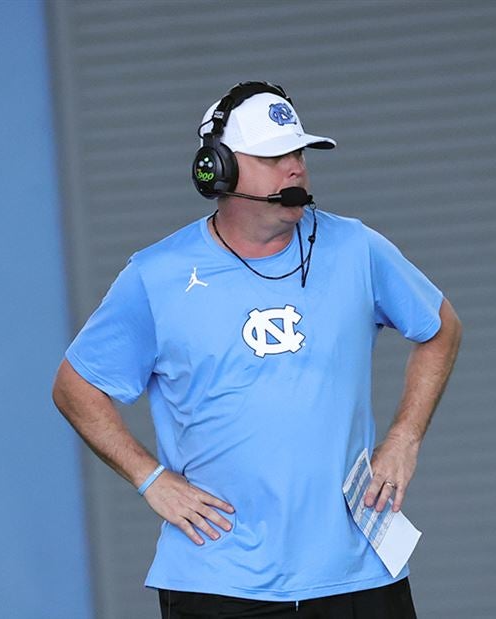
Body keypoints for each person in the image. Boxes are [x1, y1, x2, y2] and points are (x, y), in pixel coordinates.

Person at [51, 81, 461, 618]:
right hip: (218, 583)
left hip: (357, 574)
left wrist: (404, 438)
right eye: (273, 155)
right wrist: (149, 477)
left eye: (298, 152)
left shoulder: (356, 247)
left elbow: (440, 328)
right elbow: (74, 385)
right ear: (217, 169)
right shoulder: (156, 276)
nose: (295, 168)